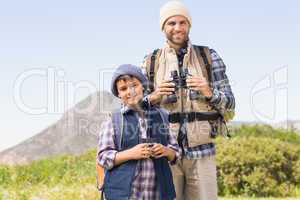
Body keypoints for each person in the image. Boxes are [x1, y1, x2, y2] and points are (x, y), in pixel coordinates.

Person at [141, 1, 235, 200]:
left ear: (189, 25)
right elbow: (133, 109)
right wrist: (154, 97)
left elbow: (230, 105)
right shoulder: (150, 62)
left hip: (203, 153)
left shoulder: (209, 57)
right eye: (171, 23)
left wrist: (208, 91)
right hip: (164, 153)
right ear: (163, 28)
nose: (177, 28)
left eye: (182, 22)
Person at [97, 64, 181, 200]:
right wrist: (131, 153)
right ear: (118, 94)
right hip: (124, 194)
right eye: (123, 89)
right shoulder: (114, 120)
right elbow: (103, 158)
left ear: (143, 86)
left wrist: (166, 151)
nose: (130, 92)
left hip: (157, 193)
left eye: (134, 85)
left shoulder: (162, 116)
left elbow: (176, 154)